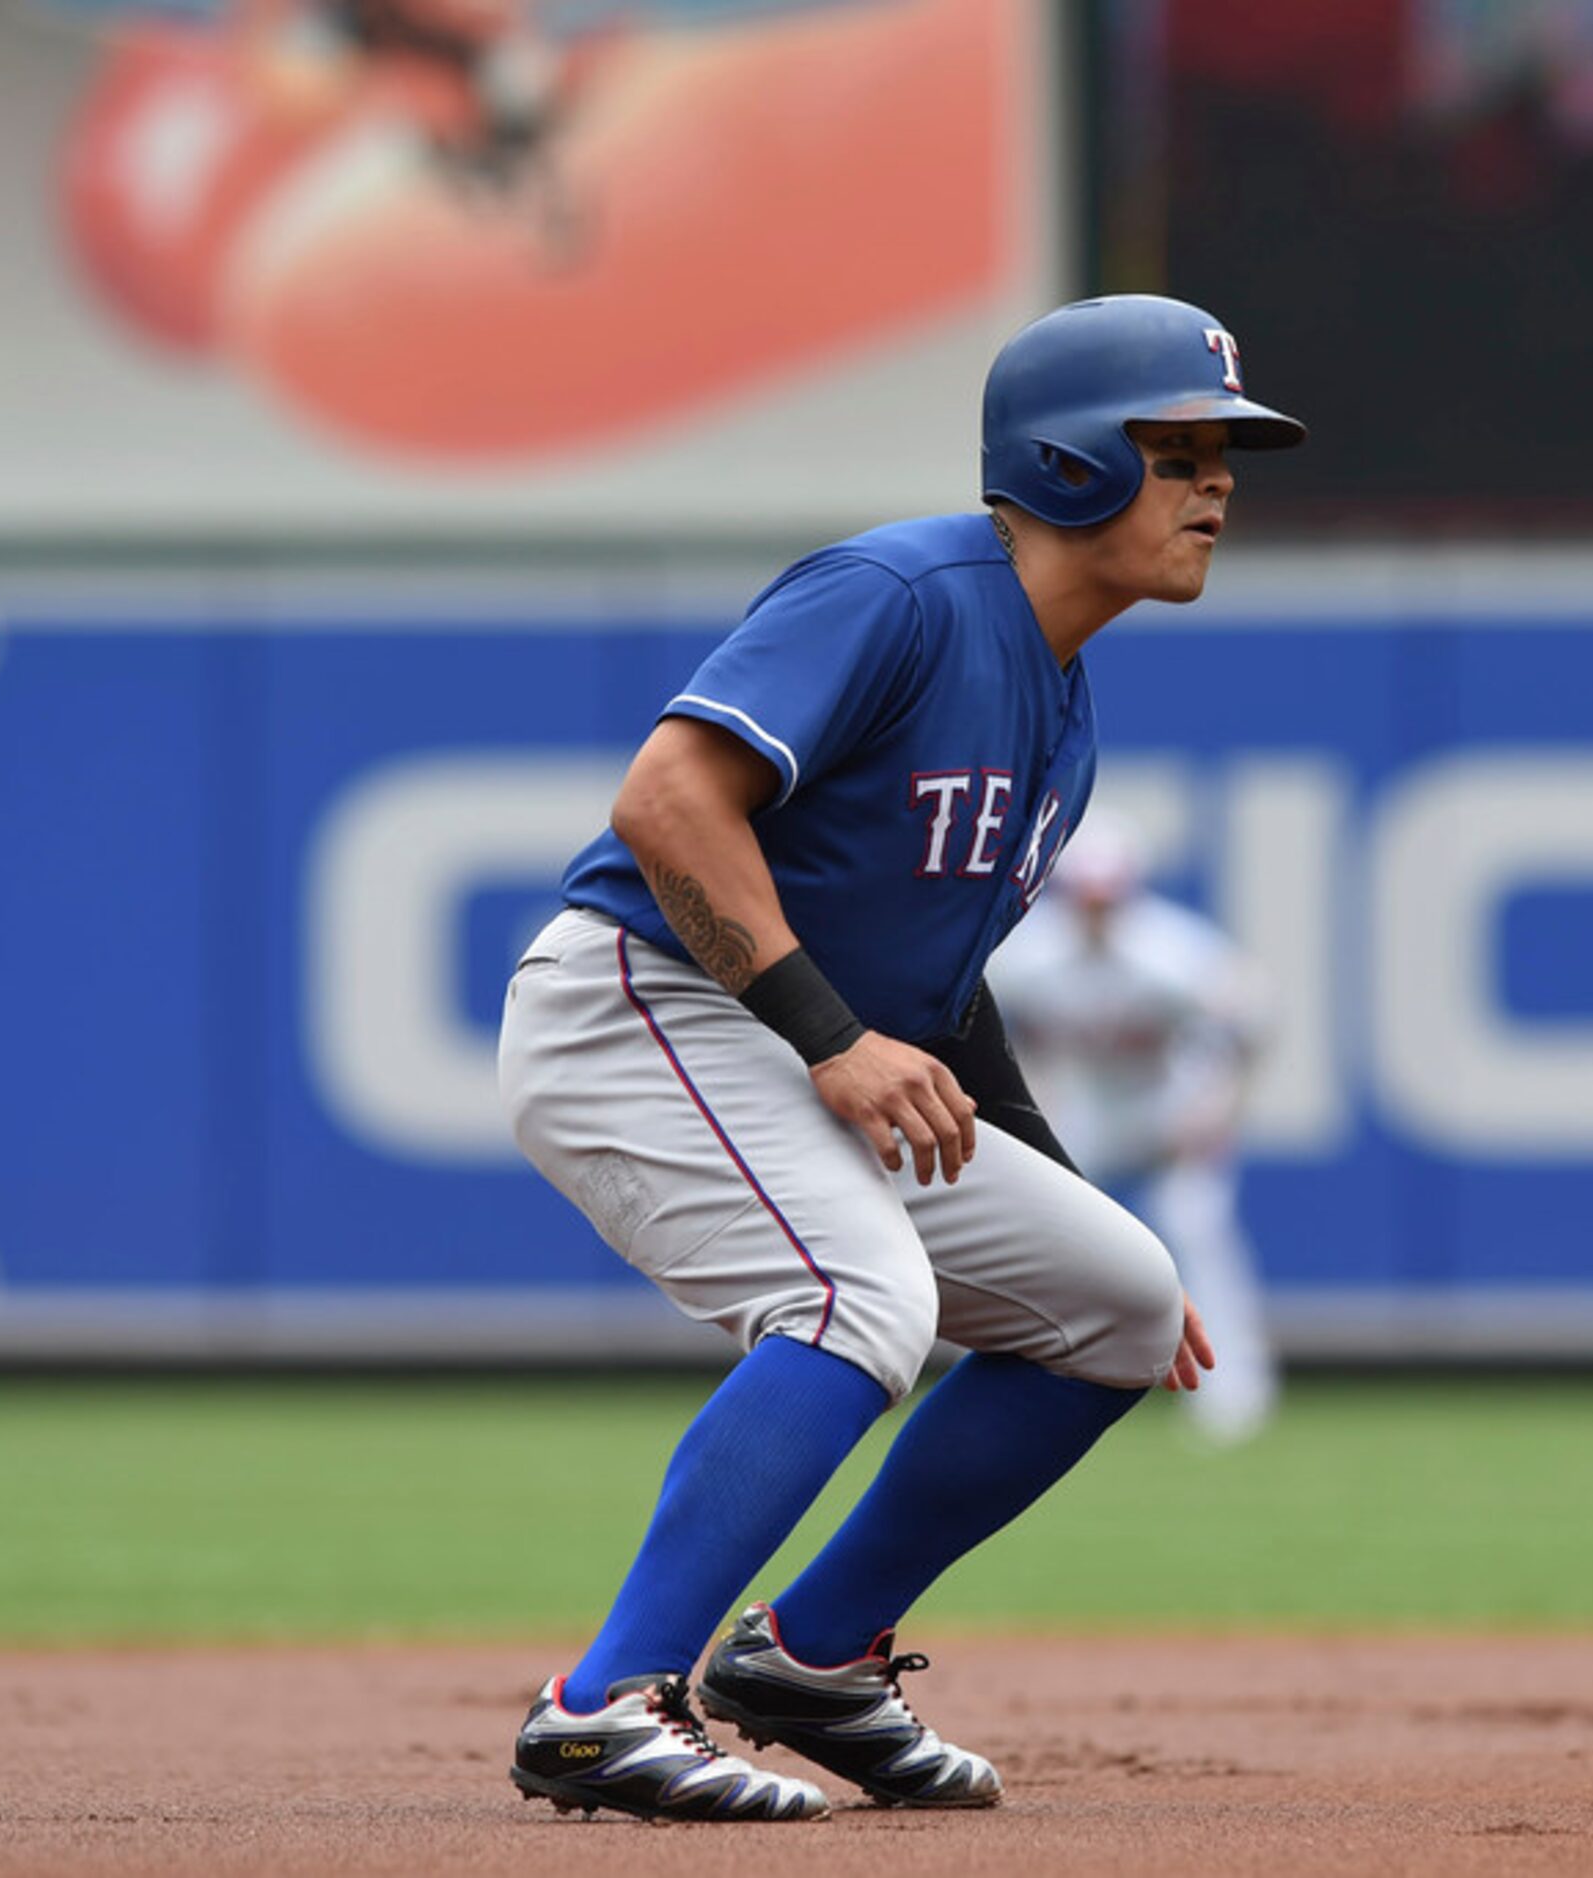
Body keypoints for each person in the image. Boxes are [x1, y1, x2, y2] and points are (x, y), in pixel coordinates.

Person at [494, 293, 1303, 1822]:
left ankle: (810, 1658)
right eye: (1182, 446)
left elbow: (943, 985)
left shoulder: (1061, 694)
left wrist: (1081, 1210)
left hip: (796, 1036)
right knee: (856, 1295)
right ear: (1068, 463)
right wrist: (832, 1038)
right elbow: (667, 801)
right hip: (643, 1006)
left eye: (1225, 453)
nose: (1221, 482)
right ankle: (600, 1703)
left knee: (1118, 1304)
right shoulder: (903, 589)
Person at [986, 824, 1279, 1445]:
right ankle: (1027, 1384)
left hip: (1170, 1103)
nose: (1097, 915)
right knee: (1039, 1232)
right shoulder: (1028, 956)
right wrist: (1040, 1094)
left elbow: (1255, 1021)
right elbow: (1013, 1032)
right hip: (1092, 1109)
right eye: (1087, 901)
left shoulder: (1173, 952)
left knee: (1195, 1224)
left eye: (1109, 900)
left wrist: (1216, 1110)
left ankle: (1234, 1395)